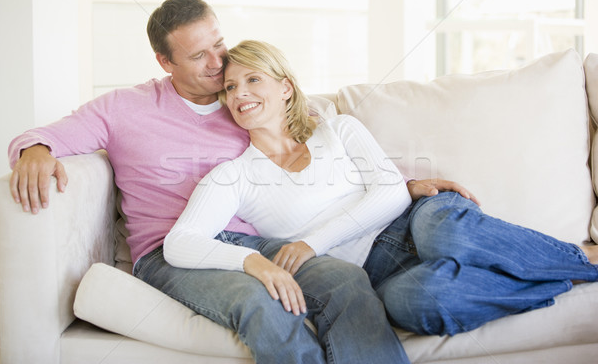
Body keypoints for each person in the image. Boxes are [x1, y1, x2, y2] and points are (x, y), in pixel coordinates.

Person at [8, 0, 410, 363]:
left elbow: (315, 150)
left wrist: (405, 186)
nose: (218, 63)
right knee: (259, 301)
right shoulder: (122, 108)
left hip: (250, 240)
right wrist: (35, 151)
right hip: (169, 253)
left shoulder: (243, 104)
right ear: (166, 62)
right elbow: (43, 136)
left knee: (344, 280)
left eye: (218, 44)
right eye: (199, 55)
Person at [165, 39, 598, 340]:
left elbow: (391, 194)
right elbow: (180, 244)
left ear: (285, 87)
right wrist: (254, 262)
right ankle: (560, 278)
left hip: (414, 220)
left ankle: (586, 263)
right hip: (380, 273)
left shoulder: (338, 130)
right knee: (416, 304)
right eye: (230, 87)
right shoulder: (233, 176)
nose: (240, 94)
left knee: (444, 232)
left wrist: (312, 243)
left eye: (252, 80)